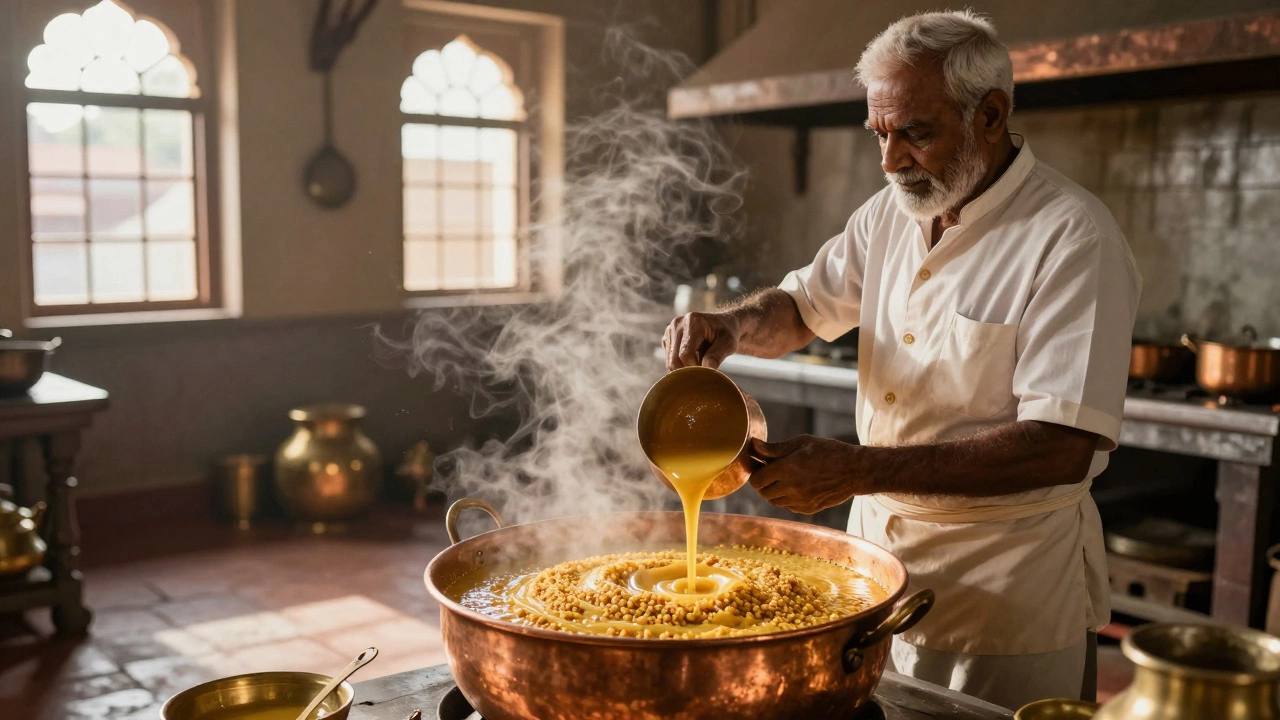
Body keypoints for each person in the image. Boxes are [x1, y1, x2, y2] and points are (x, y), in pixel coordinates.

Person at [662, 9, 1141, 711]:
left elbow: (1060, 448)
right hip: (874, 578)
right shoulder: (889, 214)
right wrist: (730, 326)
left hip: (1005, 602)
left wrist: (858, 470)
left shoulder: (1072, 238)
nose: (890, 161)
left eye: (915, 133)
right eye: (879, 134)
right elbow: (802, 307)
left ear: (991, 115)